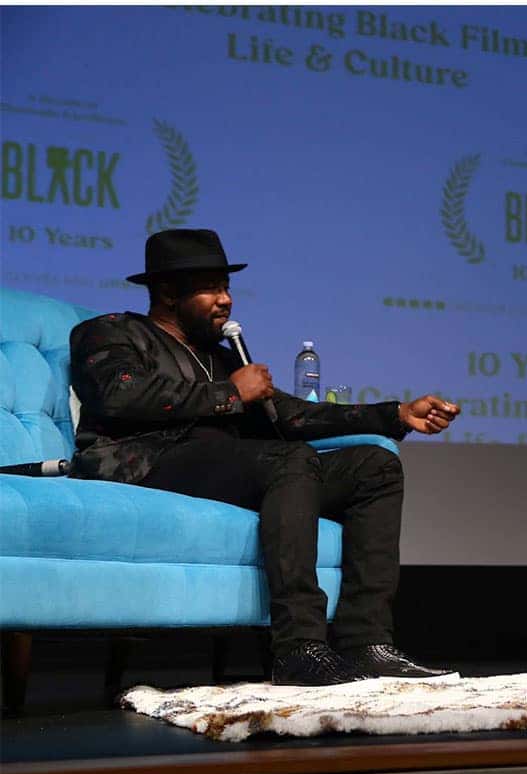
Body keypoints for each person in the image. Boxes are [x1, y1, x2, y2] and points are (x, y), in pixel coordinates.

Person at [69, 228, 462, 686]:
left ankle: (366, 642)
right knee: (289, 460)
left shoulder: (217, 357)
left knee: (374, 468)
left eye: (227, 287)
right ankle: (299, 648)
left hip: (219, 468)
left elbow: (291, 417)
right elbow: (118, 394)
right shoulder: (110, 332)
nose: (226, 300)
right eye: (211, 288)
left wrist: (395, 414)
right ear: (168, 292)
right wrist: (229, 392)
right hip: (144, 467)